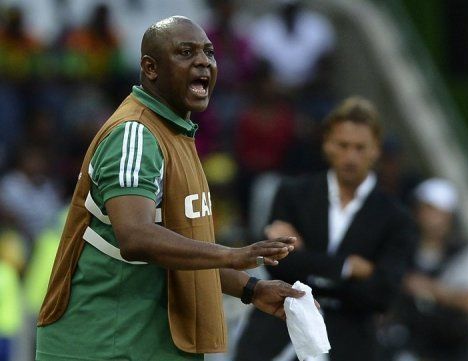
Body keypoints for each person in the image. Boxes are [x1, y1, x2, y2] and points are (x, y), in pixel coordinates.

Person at [36, 16, 304, 361]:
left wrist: (252, 289)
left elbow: (180, 248)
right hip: (104, 342)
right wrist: (231, 254)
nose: (203, 61)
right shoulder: (135, 133)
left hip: (144, 342)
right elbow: (135, 236)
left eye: (209, 52)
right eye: (185, 52)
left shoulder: (175, 133)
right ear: (150, 67)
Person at [234, 96, 417, 361]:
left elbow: (383, 292)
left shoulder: (397, 217)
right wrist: (348, 268)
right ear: (327, 143)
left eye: (360, 147)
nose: (351, 156)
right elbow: (277, 263)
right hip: (273, 334)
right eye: (343, 145)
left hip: (349, 344)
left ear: (376, 149)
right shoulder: (293, 194)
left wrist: (307, 262)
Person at [386, 178, 468, 361]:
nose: (427, 216)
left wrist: (430, 289)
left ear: (449, 217)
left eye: (434, 211)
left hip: (449, 344)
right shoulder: (404, 244)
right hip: (408, 337)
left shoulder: (465, 254)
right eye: (424, 208)